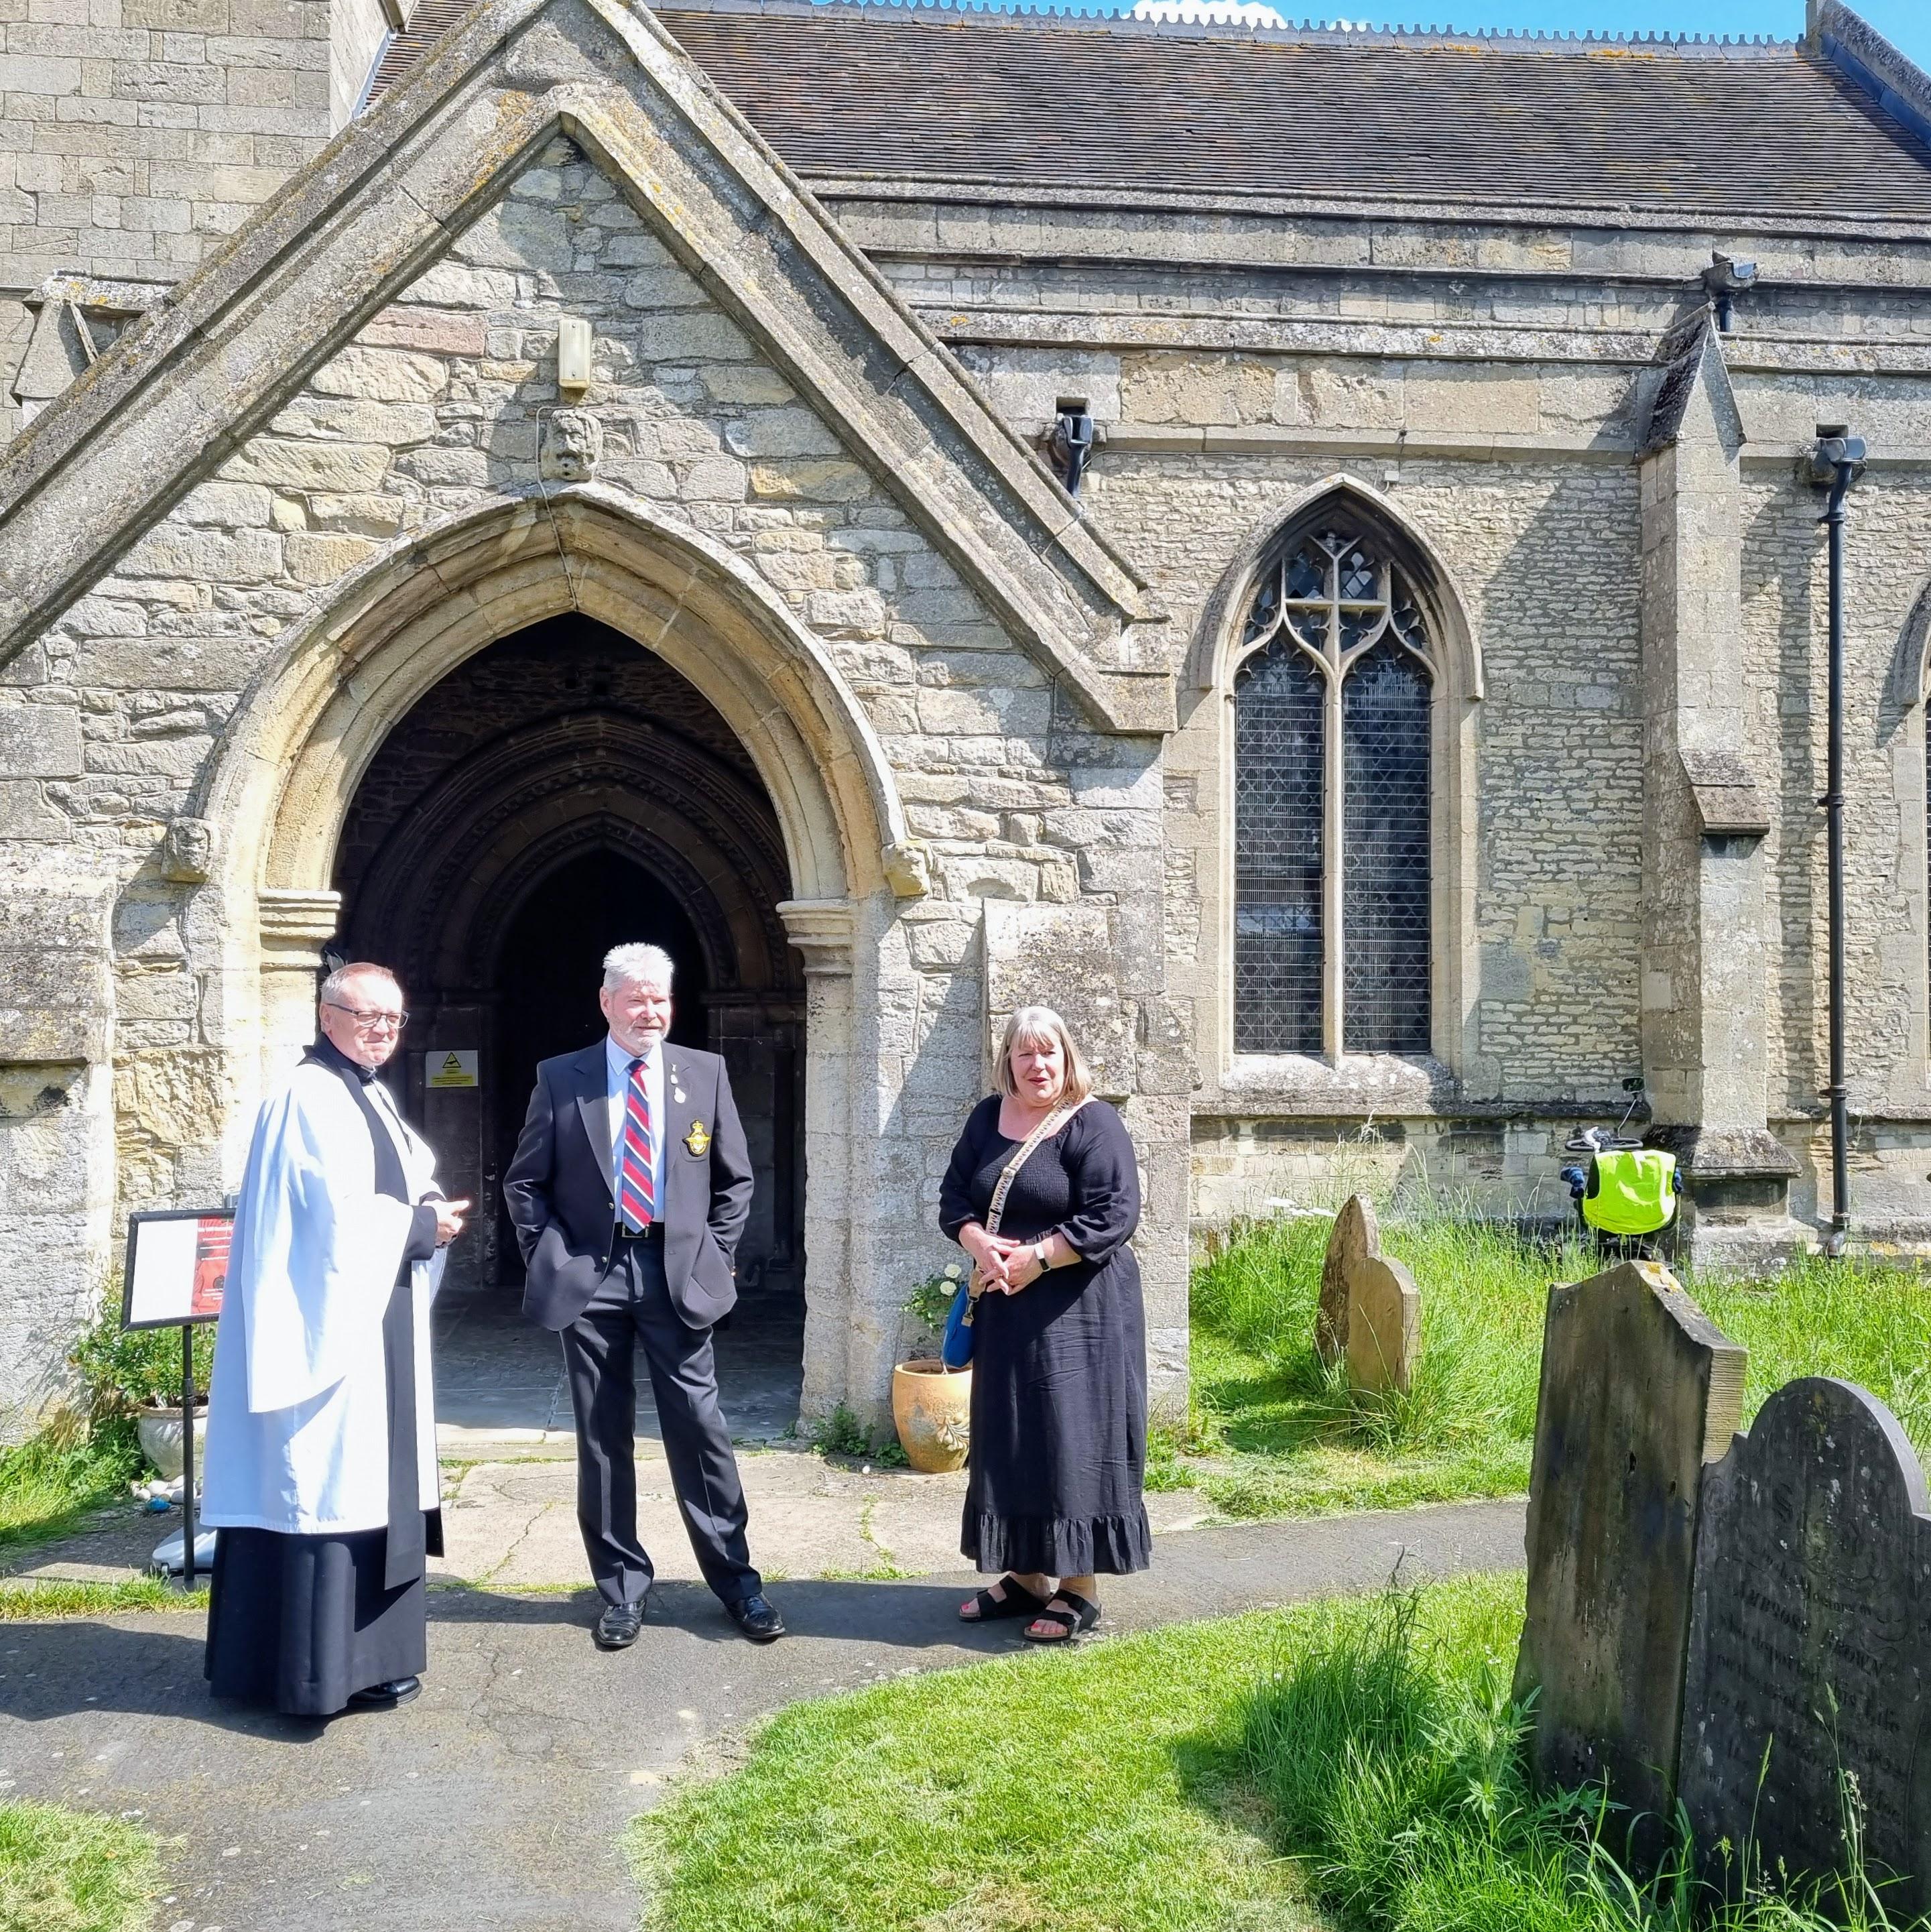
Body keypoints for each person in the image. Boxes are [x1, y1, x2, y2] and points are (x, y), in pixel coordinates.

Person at [202, 963, 469, 1717]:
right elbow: (330, 1224)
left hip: (372, 1320)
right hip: (326, 1329)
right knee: (323, 1488)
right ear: (328, 1015)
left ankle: (370, 1659)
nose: (382, 1029)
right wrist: (422, 1224)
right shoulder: (307, 1096)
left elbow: (398, 1176)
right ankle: (318, 1671)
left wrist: (424, 1207)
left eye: (394, 1017)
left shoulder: (366, 1091)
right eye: (367, 1015)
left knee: (371, 1482)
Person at [503, 943, 784, 1649]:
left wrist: (713, 1255)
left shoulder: (703, 1072)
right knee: (601, 1436)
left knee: (699, 1426)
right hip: (592, 1275)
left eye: (660, 998)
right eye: (636, 999)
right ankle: (622, 1588)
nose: (650, 1011)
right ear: (607, 1003)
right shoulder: (560, 1077)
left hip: (674, 1270)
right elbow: (524, 1181)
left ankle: (737, 1583)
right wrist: (547, 1254)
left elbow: (735, 1180)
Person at [940, 1005, 1150, 1642]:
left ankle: (1078, 1586)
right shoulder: (986, 1118)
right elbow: (954, 1197)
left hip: (1079, 1312)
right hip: (1007, 1307)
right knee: (1012, 1434)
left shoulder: (1094, 1123)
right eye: (1024, 1054)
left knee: (1070, 1438)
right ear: (1008, 1061)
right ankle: (1027, 1574)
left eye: (1048, 1053)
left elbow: (1117, 1212)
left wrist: (1039, 1257)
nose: (1037, 1066)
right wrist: (980, 1245)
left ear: (1067, 1058)